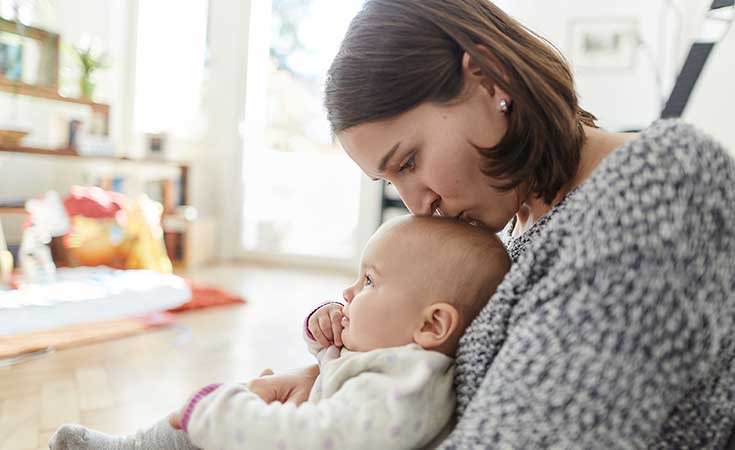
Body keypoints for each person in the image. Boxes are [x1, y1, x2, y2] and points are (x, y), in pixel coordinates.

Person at [250, 0, 735, 448]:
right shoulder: (516, 229)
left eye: (411, 161)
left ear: (487, 79)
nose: (418, 206)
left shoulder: (656, 187)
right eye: (392, 179)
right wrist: (338, 389)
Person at [48, 216, 511, 450]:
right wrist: (326, 334)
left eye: (369, 281)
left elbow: (322, 438)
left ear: (432, 325)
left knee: (218, 412)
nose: (349, 292)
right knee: (220, 408)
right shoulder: (395, 357)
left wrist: (227, 414)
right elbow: (339, 365)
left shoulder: (407, 385)